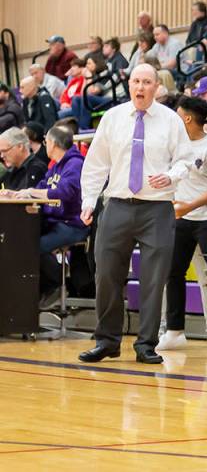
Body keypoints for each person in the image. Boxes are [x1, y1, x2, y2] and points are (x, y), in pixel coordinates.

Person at [78, 65, 191, 365]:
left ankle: (146, 344)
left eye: (147, 82)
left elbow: (185, 160)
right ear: (129, 85)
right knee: (106, 274)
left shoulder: (171, 121)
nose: (140, 87)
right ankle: (107, 341)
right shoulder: (112, 118)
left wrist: (171, 176)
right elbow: (96, 164)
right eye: (136, 82)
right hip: (116, 204)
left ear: (157, 87)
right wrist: (89, 200)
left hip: (157, 208)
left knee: (154, 279)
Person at [158, 96, 207, 352]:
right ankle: (174, 330)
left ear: (187, 117)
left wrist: (189, 205)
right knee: (172, 273)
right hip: (180, 219)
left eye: (178, 113)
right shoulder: (175, 148)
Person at [8, 126, 86, 305]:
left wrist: (34, 193)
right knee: (20, 240)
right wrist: (17, 193)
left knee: (29, 248)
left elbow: (65, 192)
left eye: (46, 142)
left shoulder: (75, 163)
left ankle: (53, 284)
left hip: (72, 225)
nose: (45, 146)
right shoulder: (56, 166)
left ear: (53, 143)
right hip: (57, 221)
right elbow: (41, 187)